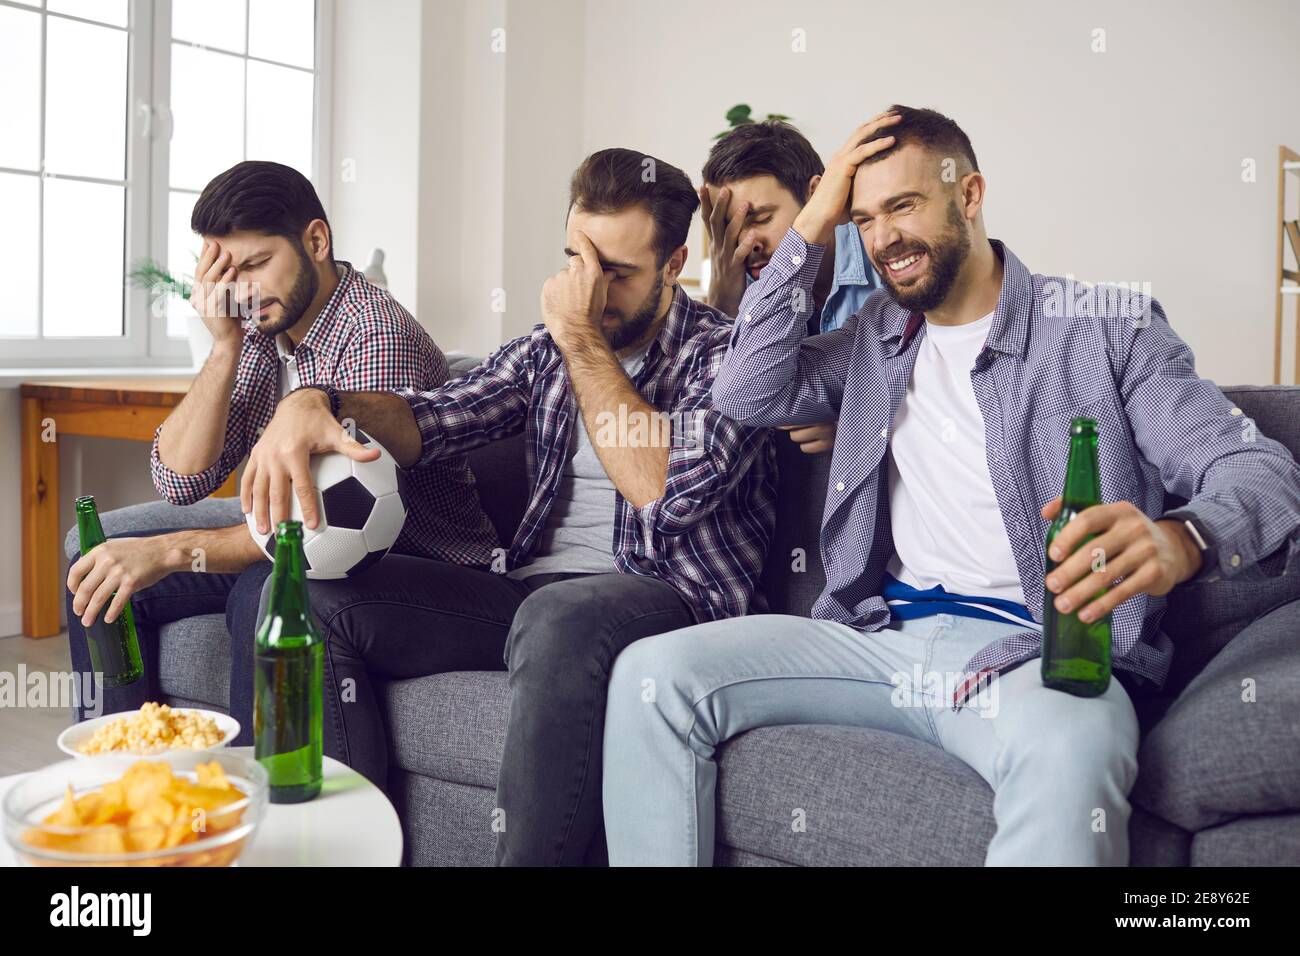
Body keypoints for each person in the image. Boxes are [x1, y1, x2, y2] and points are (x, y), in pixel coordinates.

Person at [600, 106, 1300, 866]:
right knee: (653, 677)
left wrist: (1184, 537)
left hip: (1034, 652)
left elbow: (1254, 467)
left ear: (969, 195)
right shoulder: (876, 334)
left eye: (904, 206)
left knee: (1072, 750)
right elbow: (744, 391)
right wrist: (814, 219)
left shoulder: (1105, 326)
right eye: (864, 218)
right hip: (878, 643)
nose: (885, 239)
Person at [237, 149, 778, 866]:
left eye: (615, 273)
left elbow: (662, 489)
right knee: (298, 593)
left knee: (558, 618)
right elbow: (432, 420)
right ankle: (340, 855)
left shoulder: (725, 357)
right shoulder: (543, 353)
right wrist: (320, 400)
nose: (591, 291)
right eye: (576, 262)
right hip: (529, 597)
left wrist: (580, 337)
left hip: (670, 598)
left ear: (675, 263)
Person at [65, 160, 498, 734]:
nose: (242, 289)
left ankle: (255, 800)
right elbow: (180, 480)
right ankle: (131, 773)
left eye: (256, 264)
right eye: (226, 272)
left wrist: (170, 551)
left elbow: (317, 524)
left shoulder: (375, 334)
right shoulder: (263, 331)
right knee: (98, 558)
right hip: (306, 534)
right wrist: (222, 347)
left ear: (315, 240)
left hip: (409, 560)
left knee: (263, 589)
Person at [701, 120, 881, 456]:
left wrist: (858, 426)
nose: (745, 242)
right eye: (730, 226)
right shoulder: (747, 280)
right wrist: (725, 300)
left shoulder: (884, 262)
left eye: (760, 218)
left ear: (816, 195)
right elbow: (722, 415)